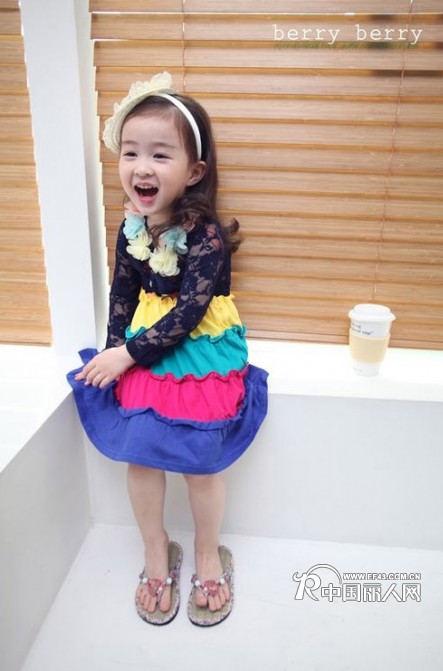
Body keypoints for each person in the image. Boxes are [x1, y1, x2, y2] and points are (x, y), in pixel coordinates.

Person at [67, 72, 268, 627]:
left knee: (201, 465)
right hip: (142, 350)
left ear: (194, 171)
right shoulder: (131, 228)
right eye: (131, 152)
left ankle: (207, 552)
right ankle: (157, 550)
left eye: (160, 154)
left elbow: (188, 313)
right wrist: (113, 351)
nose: (142, 167)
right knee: (142, 456)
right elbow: (121, 295)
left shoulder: (205, 235)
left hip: (197, 353)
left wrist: (126, 354)